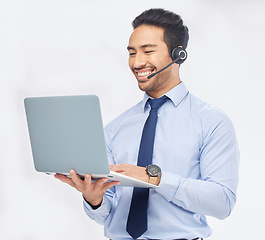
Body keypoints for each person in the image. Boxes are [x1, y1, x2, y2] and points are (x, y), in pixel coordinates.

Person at [55, 8, 239, 240]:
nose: (137, 62)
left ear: (178, 55)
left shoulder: (211, 121)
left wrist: (154, 178)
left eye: (148, 51)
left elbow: (222, 202)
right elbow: (105, 214)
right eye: (132, 53)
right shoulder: (116, 127)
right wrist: (94, 199)